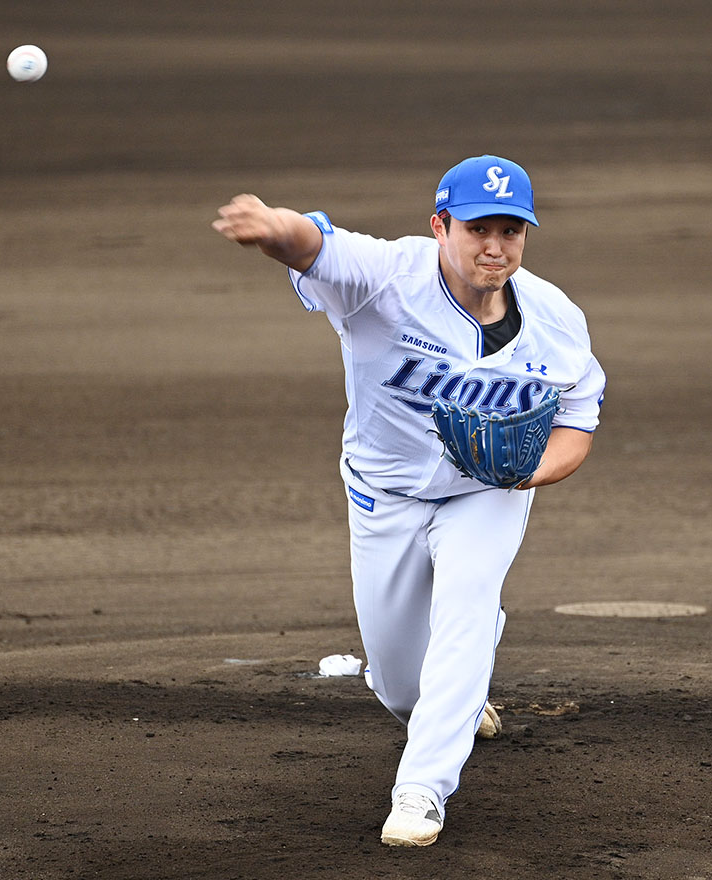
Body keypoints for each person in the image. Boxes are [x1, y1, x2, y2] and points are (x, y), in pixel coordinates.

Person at [212, 155, 606, 847]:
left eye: (511, 231)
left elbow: (578, 420)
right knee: (399, 684)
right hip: (383, 494)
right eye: (478, 229)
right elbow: (317, 247)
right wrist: (273, 227)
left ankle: (421, 792)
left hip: (486, 495)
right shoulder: (390, 277)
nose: (495, 247)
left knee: (465, 606)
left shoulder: (557, 318)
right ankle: (464, 686)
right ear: (440, 224)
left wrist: (525, 476)